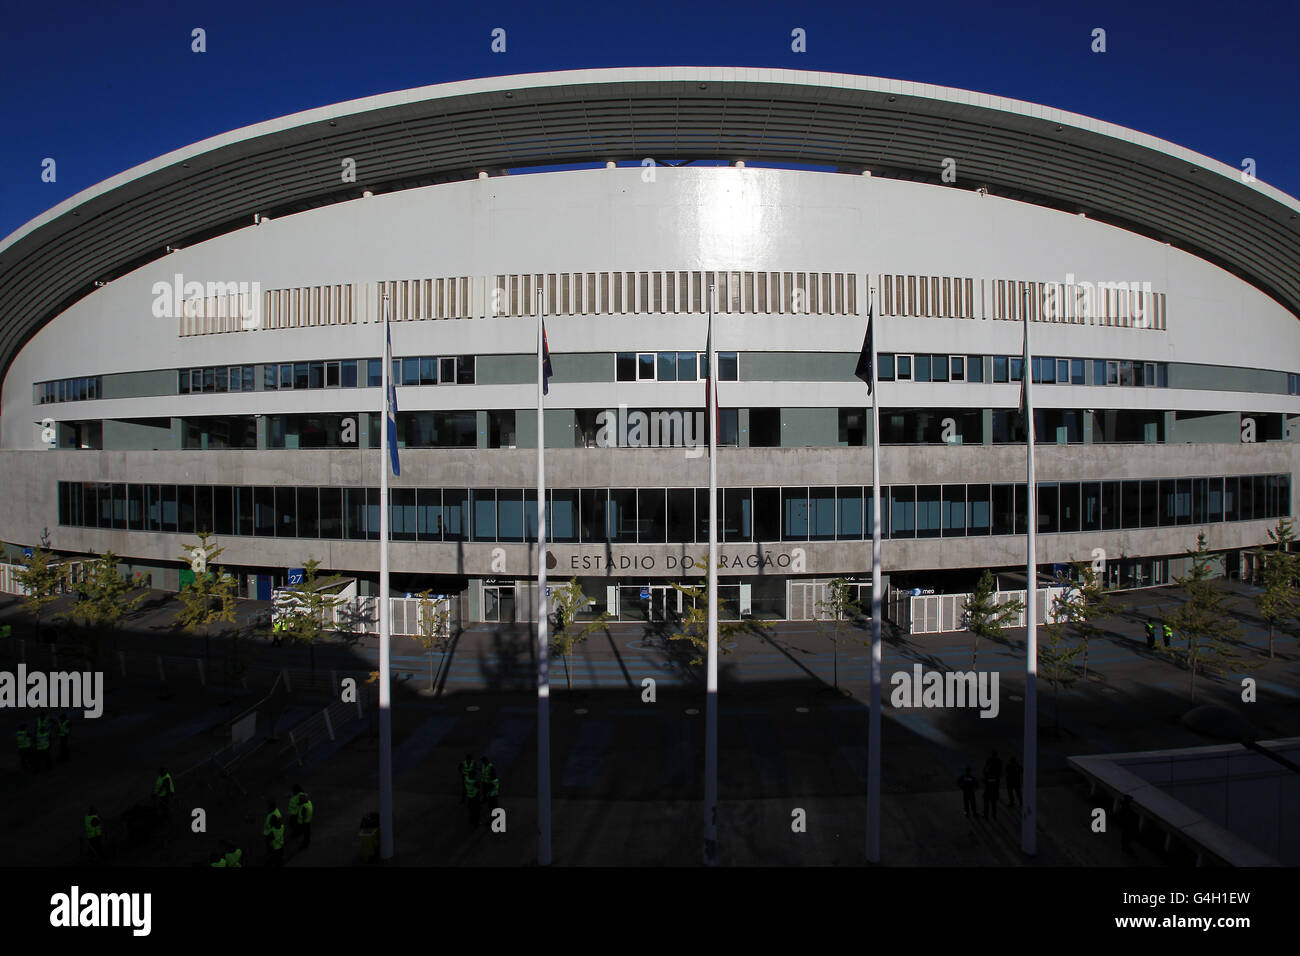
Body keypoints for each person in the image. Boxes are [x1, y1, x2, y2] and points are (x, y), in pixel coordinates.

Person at [982, 751, 1003, 820]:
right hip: (994, 790)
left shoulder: (987, 775)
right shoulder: (998, 761)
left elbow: (984, 780)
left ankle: (986, 815)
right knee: (993, 804)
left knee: (986, 804)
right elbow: (1000, 768)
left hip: (987, 791)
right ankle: (994, 815)